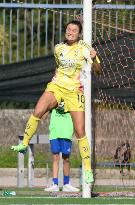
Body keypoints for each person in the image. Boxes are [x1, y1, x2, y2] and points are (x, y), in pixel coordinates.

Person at [11, 20, 97, 184]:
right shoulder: (58, 48)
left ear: (79, 34)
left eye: (74, 30)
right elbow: (58, 68)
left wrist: (95, 57)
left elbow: (98, 70)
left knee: (80, 131)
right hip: (56, 87)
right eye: (68, 29)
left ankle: (87, 170)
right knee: (38, 111)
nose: (70, 32)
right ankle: (24, 144)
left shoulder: (84, 49)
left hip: (74, 91)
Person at [44, 102, 79, 192]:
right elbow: (44, 114)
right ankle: (54, 184)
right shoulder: (54, 98)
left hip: (66, 132)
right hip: (55, 132)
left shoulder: (70, 98)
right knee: (55, 157)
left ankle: (66, 184)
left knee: (66, 158)